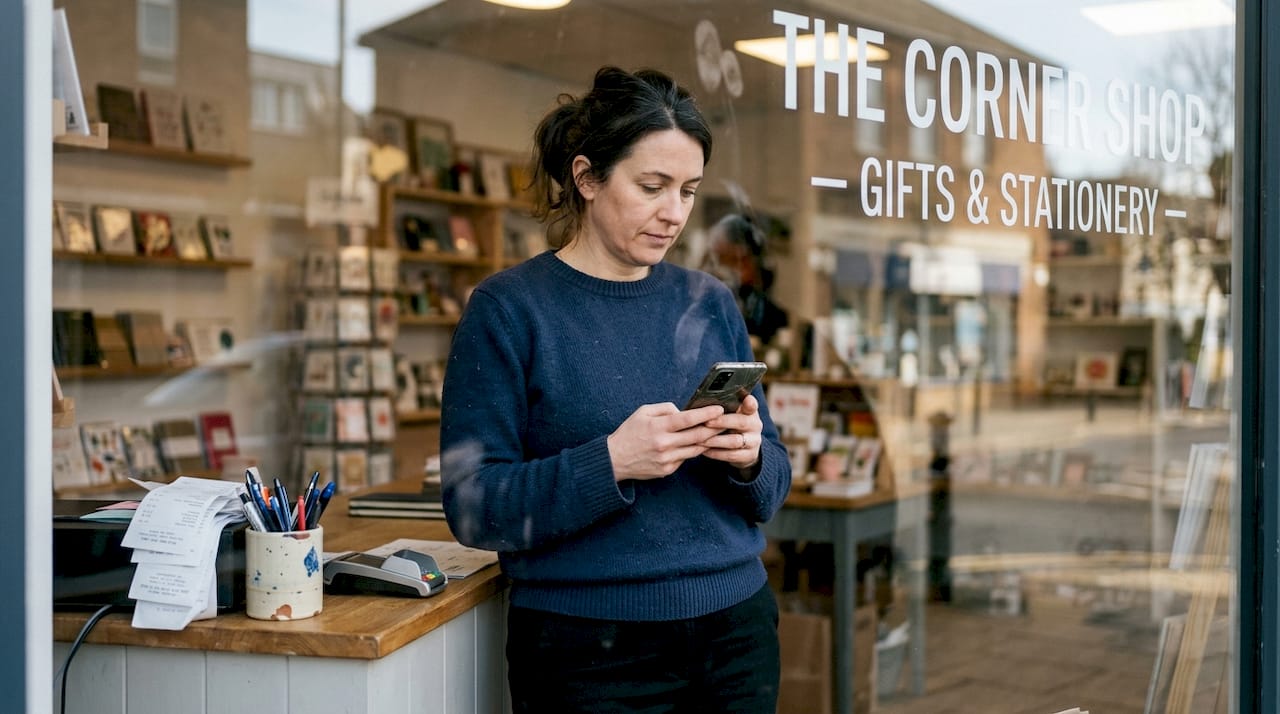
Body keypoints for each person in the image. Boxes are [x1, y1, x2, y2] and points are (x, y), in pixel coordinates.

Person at [440, 66, 792, 713]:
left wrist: (750, 459)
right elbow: (472, 506)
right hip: (586, 652)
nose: (674, 214)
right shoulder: (509, 309)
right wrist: (612, 462)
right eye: (651, 186)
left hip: (736, 630)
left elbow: (772, 488)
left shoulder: (711, 303)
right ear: (587, 177)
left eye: (688, 191)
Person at [704, 212, 790, 347]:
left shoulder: (774, 319)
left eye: (728, 261)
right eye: (715, 262)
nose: (718, 272)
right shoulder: (705, 312)